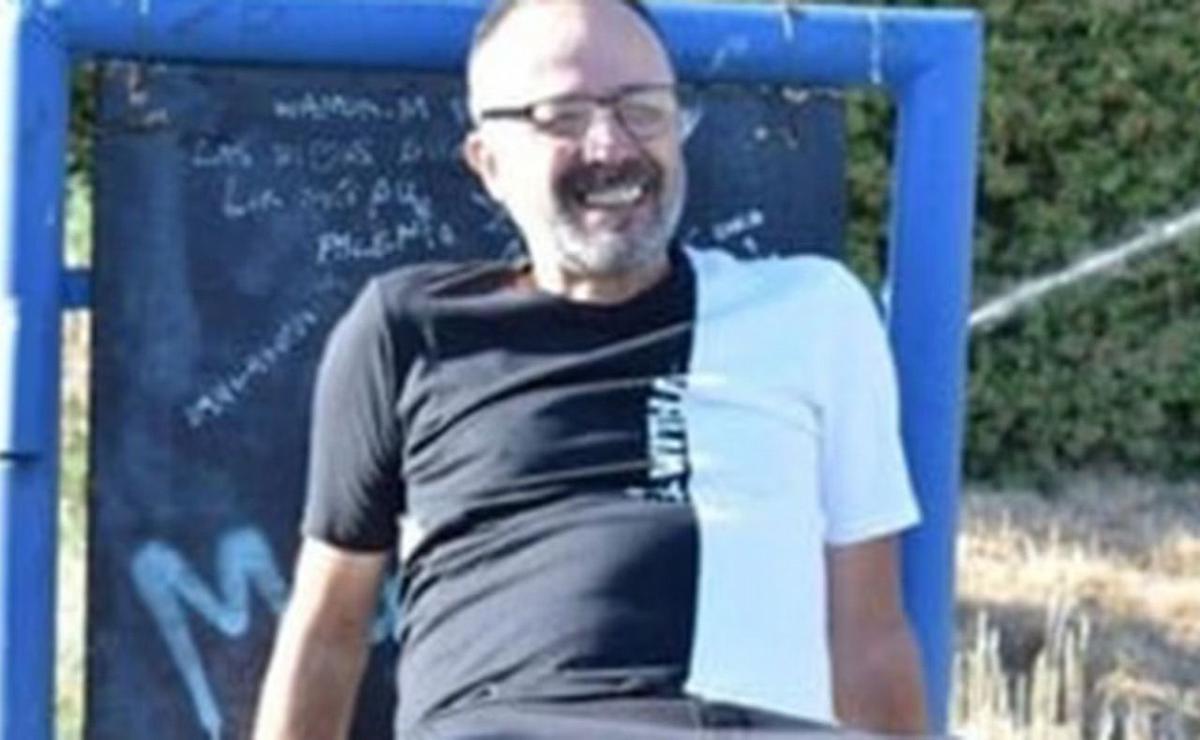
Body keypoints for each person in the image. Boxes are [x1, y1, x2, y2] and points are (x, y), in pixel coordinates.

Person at [254, 0, 928, 737]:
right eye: (562, 117)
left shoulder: (812, 311)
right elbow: (328, 629)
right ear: (488, 163)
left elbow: (870, 633)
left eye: (642, 110)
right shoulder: (409, 328)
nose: (609, 146)